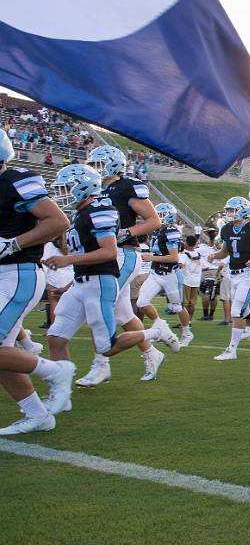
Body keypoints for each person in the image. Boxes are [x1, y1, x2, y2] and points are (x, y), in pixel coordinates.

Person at [44, 165, 176, 396]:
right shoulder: (81, 212)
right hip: (84, 278)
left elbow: (109, 250)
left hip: (108, 270)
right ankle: (61, 394)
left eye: (67, 187)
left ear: (83, 187)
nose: (62, 193)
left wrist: (67, 260)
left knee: (107, 339)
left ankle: (150, 336)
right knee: (59, 335)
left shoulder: (102, 207)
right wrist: (69, 282)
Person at [0, 130, 75, 434]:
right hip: (6, 273)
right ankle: (38, 415)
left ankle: (56, 371)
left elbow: (59, 221)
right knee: (3, 351)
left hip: (18, 272)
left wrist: (13, 244)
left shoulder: (15, 180)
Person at [73, 145, 165, 387]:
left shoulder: (126, 186)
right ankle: (152, 353)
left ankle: (100, 366)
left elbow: (154, 221)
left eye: (99, 162)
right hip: (104, 255)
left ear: (114, 163)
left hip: (123, 254)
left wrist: (126, 232)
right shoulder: (94, 188)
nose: (95, 167)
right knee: (123, 312)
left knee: (99, 306)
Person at [208, 197, 250, 360]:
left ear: (242, 211)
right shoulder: (226, 229)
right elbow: (224, 252)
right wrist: (214, 255)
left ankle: (232, 350)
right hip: (234, 274)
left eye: (232, 210)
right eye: (228, 210)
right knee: (243, 311)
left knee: (236, 311)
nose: (229, 213)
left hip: (248, 275)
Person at [135, 203, 192, 354]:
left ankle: (187, 333)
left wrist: (151, 257)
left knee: (177, 307)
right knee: (141, 302)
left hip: (169, 275)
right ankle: (160, 326)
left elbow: (174, 257)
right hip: (155, 274)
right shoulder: (156, 231)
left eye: (160, 215)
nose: (156, 218)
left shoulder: (171, 232)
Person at [179, 234, 203, 320]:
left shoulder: (184, 255)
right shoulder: (199, 255)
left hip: (186, 280)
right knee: (192, 303)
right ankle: (189, 320)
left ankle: (184, 321)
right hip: (196, 281)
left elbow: (180, 265)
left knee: (185, 303)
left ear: (187, 243)